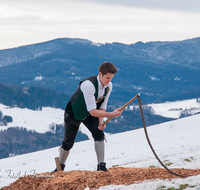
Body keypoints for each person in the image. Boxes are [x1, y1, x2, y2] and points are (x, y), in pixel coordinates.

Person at [52, 61, 123, 173]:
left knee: (99, 133)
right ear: (100, 74)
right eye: (107, 78)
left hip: (91, 112)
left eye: (111, 78)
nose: (109, 81)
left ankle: (101, 167)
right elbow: (93, 111)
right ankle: (59, 168)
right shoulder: (88, 85)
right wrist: (111, 115)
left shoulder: (109, 86)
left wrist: (101, 123)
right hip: (74, 112)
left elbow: (102, 106)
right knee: (68, 142)